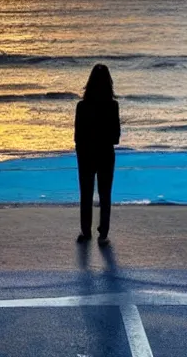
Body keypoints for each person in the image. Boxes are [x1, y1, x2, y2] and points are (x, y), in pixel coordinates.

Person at [75, 64, 121, 246]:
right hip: (105, 153)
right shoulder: (112, 106)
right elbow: (116, 138)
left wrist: (85, 147)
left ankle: (86, 231)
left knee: (86, 194)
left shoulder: (82, 106)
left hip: (86, 154)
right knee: (105, 194)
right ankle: (103, 233)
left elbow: (77, 137)